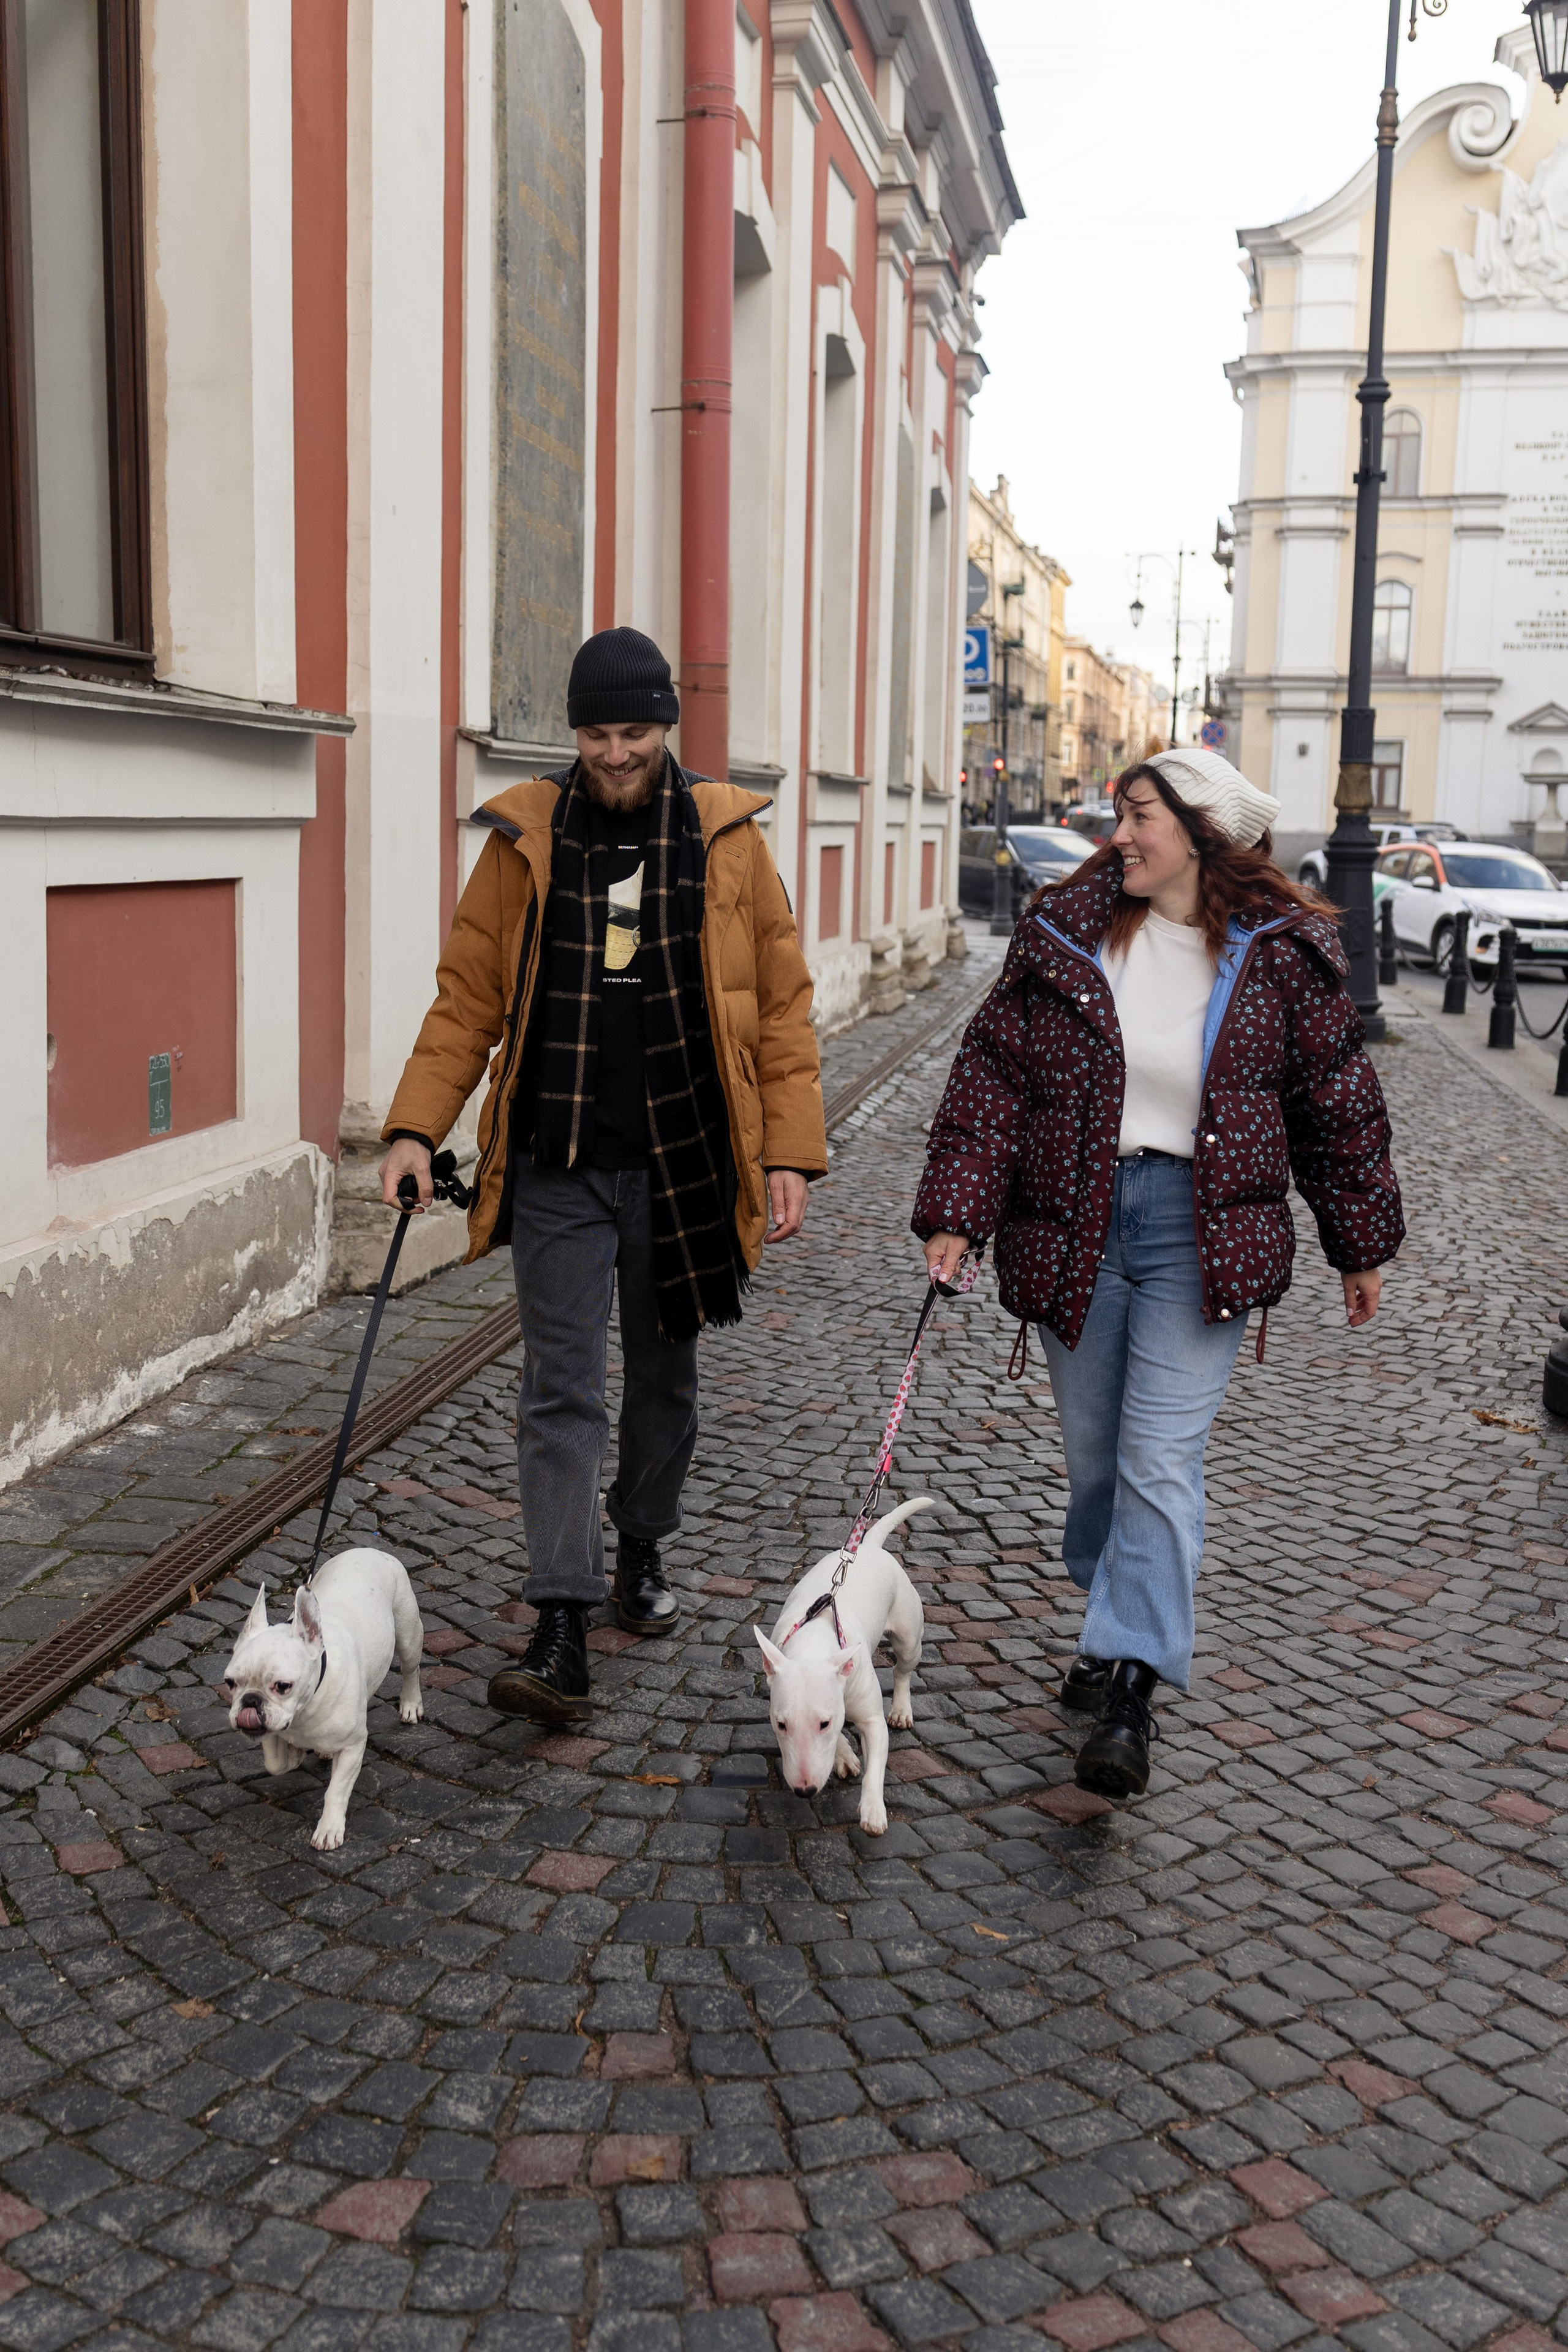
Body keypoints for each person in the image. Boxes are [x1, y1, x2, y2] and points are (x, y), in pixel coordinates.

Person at [912, 750, 1404, 1798]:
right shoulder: (1067, 931)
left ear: (1201, 830)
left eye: (1139, 816)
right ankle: (1111, 1613)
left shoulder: (1282, 954)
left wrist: (1358, 1242)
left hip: (1198, 1233)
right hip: (1077, 1221)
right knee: (1098, 1465)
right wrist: (959, 1211)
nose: (1120, 833)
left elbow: (1336, 1102)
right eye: (1121, 815)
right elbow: (993, 1073)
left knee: (1159, 1460)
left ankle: (1131, 1682)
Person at [380, 627, 827, 1725]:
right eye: (595, 732)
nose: (615, 753)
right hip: (559, 1163)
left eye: (634, 732)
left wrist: (786, 1150)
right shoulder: (526, 841)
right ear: (570, 732)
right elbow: (466, 999)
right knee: (562, 1389)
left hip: (682, 1164)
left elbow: (780, 1005)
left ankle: (640, 1543)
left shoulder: (728, 841)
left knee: (663, 1384)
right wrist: (412, 1129)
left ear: (667, 728)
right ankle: (562, 1620)